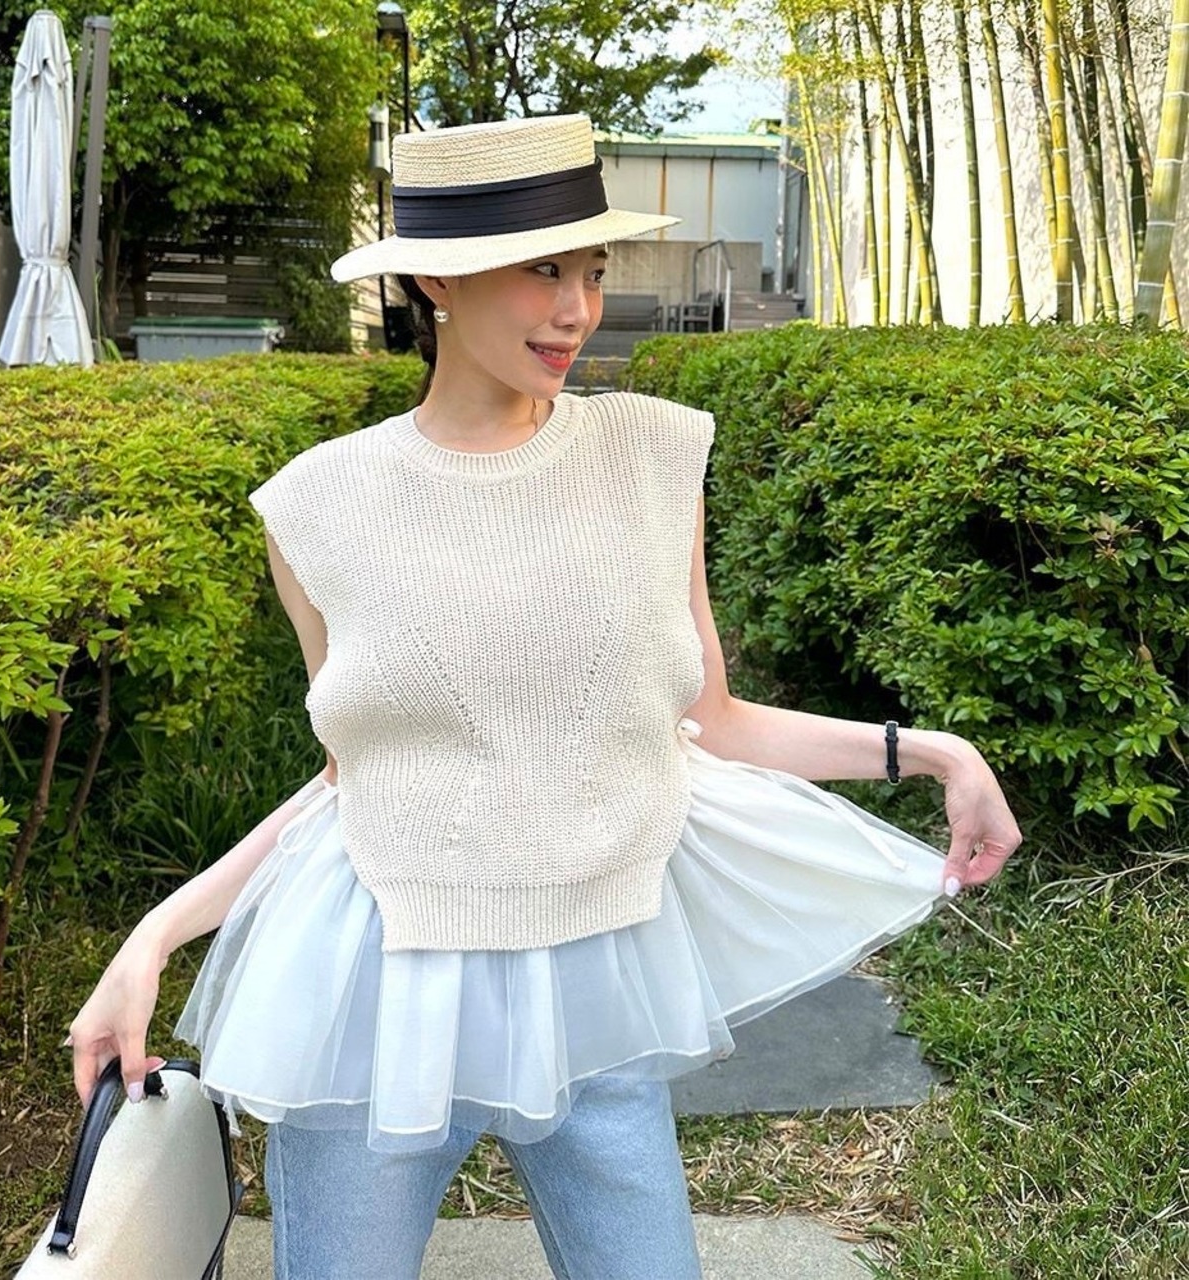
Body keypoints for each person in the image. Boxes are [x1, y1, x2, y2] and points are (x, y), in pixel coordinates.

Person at [67, 114, 1020, 1279]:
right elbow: (347, 784)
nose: (576, 309)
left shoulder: (651, 459)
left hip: (592, 986)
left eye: (591, 270)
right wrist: (153, 937)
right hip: (377, 991)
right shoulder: (317, 504)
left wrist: (934, 753)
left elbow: (710, 721)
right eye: (540, 269)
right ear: (436, 280)